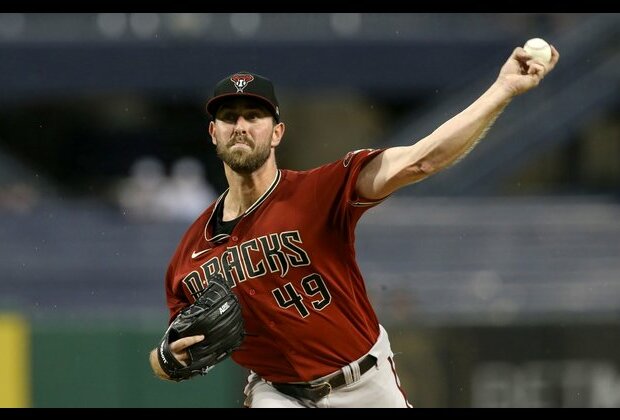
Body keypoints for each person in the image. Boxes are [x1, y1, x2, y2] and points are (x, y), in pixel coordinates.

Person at [149, 44, 560, 408]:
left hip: (365, 383)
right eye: (228, 116)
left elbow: (421, 160)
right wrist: (165, 359)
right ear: (213, 132)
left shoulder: (319, 191)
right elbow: (168, 353)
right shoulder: (190, 255)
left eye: (253, 115)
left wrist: (502, 89)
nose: (240, 125)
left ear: (276, 133)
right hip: (279, 394)